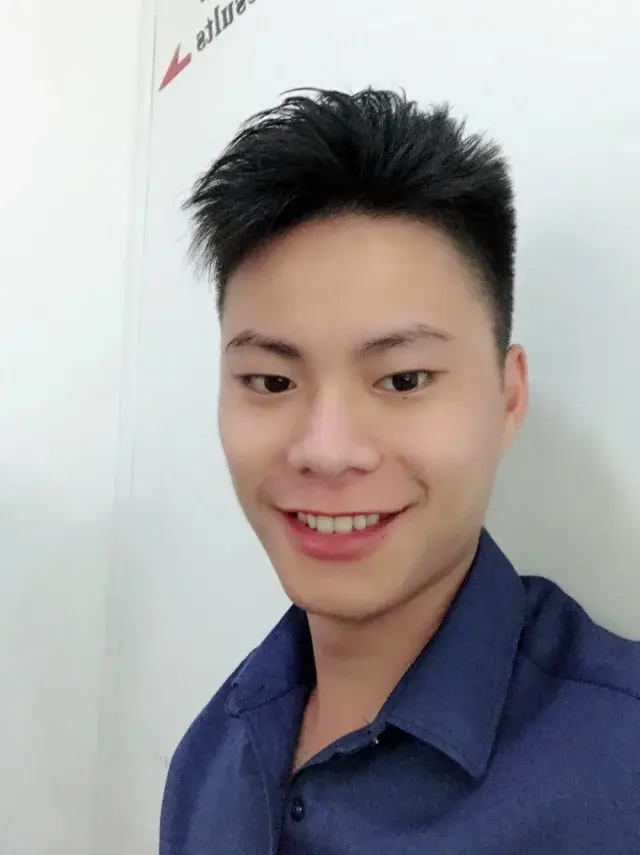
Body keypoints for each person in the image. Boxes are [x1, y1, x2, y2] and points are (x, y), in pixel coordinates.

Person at [159, 88, 640, 854]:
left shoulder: (620, 768)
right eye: (272, 381)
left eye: (404, 379)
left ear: (508, 397)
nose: (327, 448)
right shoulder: (209, 756)